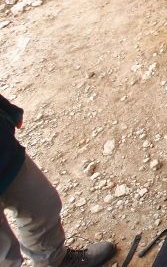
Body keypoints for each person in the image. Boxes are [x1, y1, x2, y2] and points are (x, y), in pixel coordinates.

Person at [0, 94, 116, 267]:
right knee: (4, 254)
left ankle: (55, 261)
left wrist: (7, 109)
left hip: (4, 153)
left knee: (41, 205)